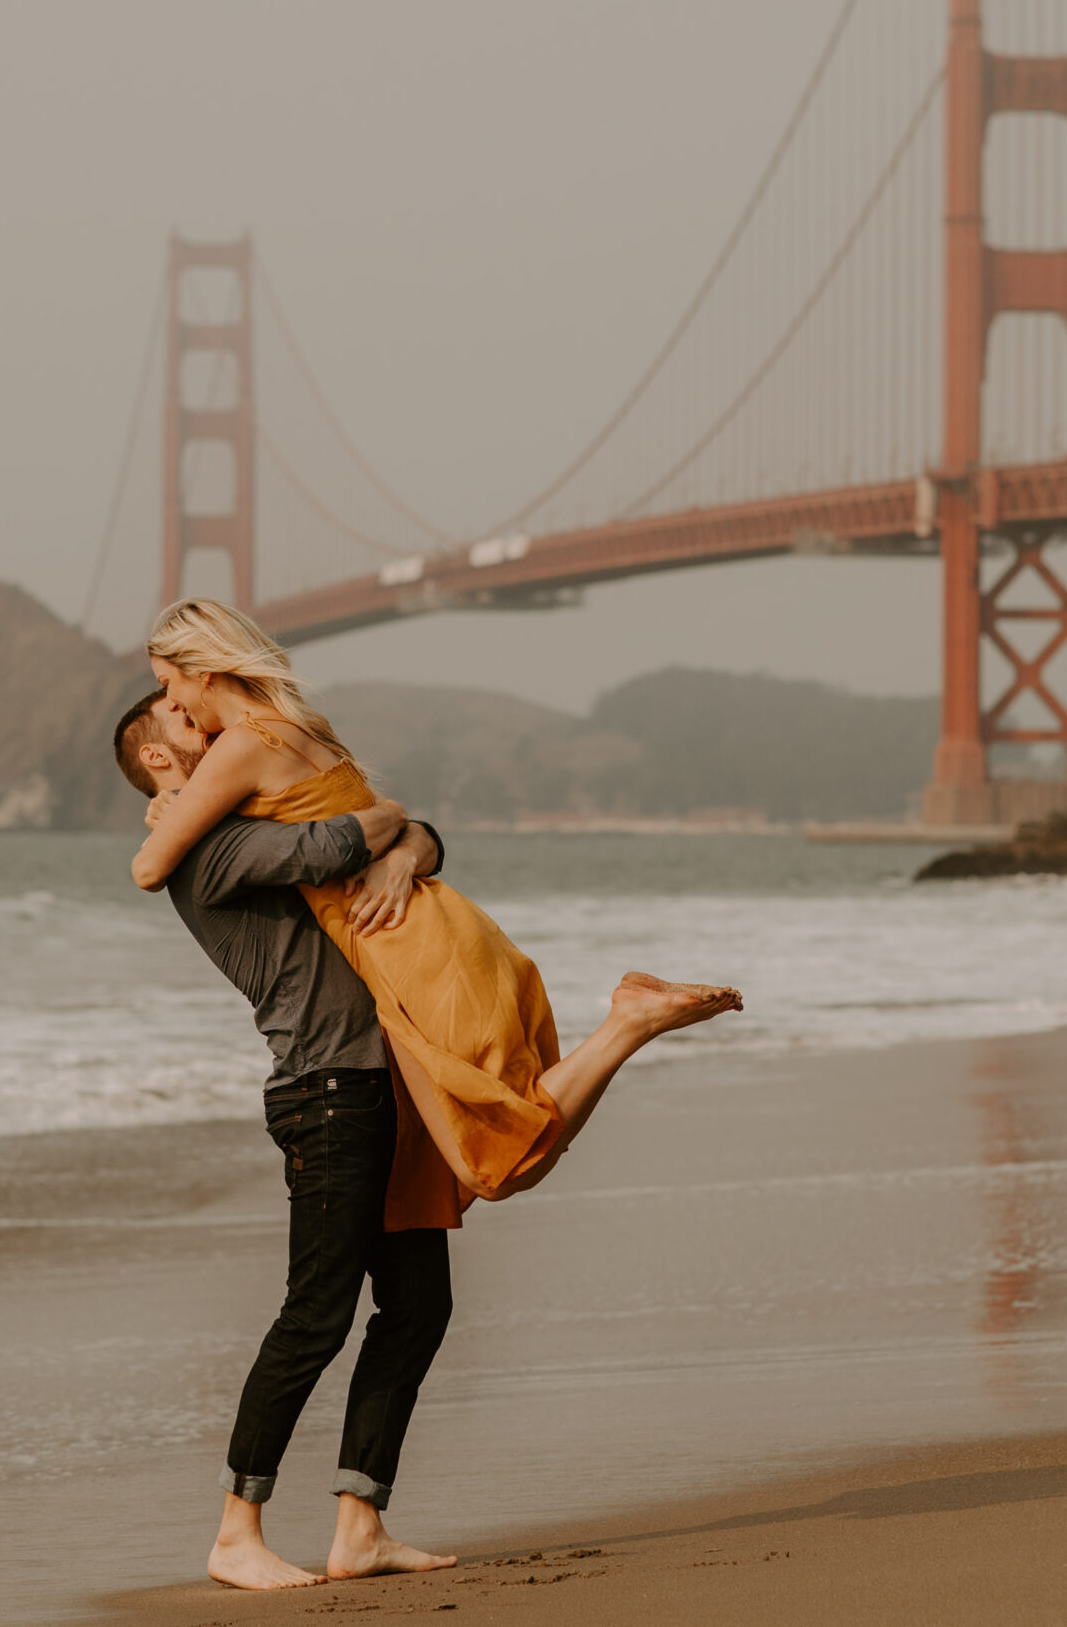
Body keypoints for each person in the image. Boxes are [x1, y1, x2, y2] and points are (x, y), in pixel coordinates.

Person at [127, 596, 741, 1230]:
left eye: (168, 684)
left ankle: (628, 1024)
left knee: (490, 1160)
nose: (174, 705)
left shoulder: (241, 747)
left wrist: (170, 807)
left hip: (405, 949)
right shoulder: (306, 727)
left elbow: (148, 870)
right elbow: (374, 820)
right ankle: (628, 1025)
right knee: (491, 1146)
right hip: (433, 930)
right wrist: (406, 845)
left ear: (203, 669)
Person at [113, 691, 456, 1590]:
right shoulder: (209, 848)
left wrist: (407, 845)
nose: (222, 731)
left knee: (419, 1306)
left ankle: (360, 1526)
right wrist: (390, 829)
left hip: (381, 1083)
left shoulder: (239, 817)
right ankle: (236, 1533)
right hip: (328, 1093)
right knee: (317, 1314)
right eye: (193, 725)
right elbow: (344, 840)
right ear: (159, 761)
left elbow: (418, 838)